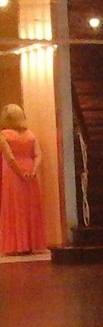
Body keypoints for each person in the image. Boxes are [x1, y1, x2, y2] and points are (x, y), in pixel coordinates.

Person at [0, 103, 46, 254]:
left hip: (13, 174)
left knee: (14, 207)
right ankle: (33, 243)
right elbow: (38, 154)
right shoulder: (30, 134)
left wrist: (20, 173)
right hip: (30, 169)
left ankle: (17, 245)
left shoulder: (4, 135)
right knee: (31, 207)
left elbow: (10, 158)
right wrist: (34, 170)